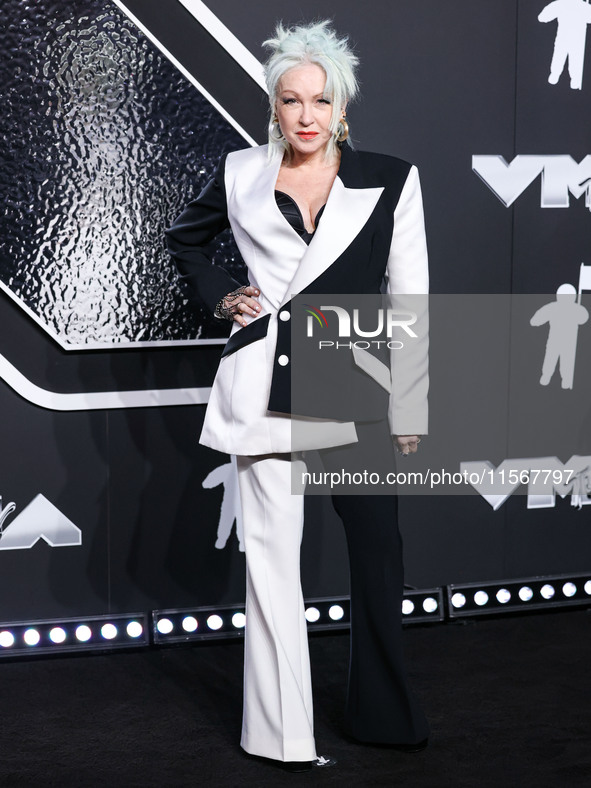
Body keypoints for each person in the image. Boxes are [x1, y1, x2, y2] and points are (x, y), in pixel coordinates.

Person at [165, 20, 429, 772]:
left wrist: (411, 401)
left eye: (320, 100)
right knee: (271, 567)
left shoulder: (391, 177)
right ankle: (281, 737)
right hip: (262, 383)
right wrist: (222, 298)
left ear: (340, 105)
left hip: (356, 378)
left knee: (378, 558)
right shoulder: (238, 173)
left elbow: (409, 296)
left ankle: (385, 718)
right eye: (291, 101)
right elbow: (184, 241)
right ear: (273, 107)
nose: (306, 116)